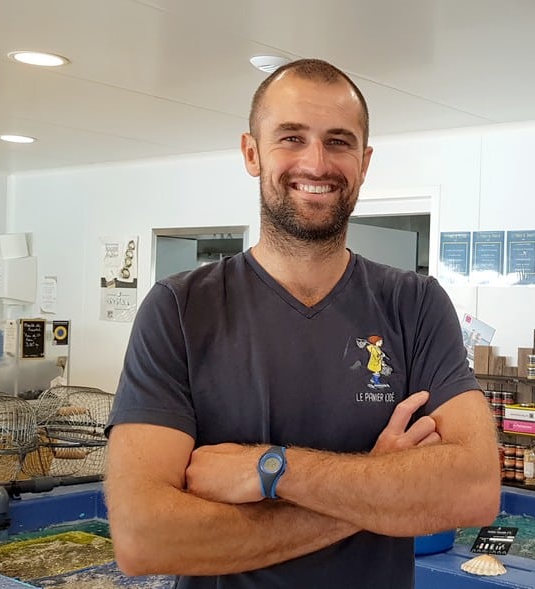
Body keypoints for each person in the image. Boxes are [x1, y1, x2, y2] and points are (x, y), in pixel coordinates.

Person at [104, 59, 501, 588]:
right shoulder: (179, 309)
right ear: (252, 152)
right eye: (291, 137)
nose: (316, 163)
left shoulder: (415, 304)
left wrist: (272, 469)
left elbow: (473, 490)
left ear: (364, 161)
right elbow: (143, 538)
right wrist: (378, 490)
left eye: (339, 142)